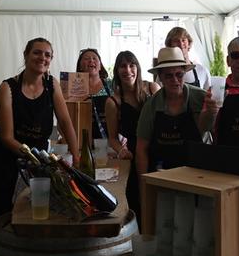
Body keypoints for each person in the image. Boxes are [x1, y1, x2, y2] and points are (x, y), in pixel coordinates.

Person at [0, 38, 80, 250]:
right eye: (37, 52)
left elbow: (65, 122)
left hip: (35, 164)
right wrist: (38, 160)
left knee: (33, 217)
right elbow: (7, 137)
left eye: (47, 55)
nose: (42, 58)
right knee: (3, 219)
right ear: (26, 55)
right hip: (5, 163)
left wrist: (76, 157)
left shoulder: (51, 84)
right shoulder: (7, 87)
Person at [136, 47, 218, 174]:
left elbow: (216, 135)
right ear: (160, 77)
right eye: (168, 76)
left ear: (184, 73)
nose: (175, 80)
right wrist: (144, 183)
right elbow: (142, 149)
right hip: (163, 172)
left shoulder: (202, 98)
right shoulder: (151, 106)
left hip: (199, 171)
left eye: (179, 75)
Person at [105, 51, 160, 223]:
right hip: (134, 155)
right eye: (123, 66)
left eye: (131, 65)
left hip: (159, 150)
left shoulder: (152, 89)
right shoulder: (113, 102)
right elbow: (112, 138)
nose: (128, 70)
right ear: (117, 71)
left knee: (160, 199)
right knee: (139, 202)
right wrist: (121, 150)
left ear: (138, 68)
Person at [76, 48, 112, 140]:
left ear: (100, 66)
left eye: (94, 58)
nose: (91, 60)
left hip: (109, 140)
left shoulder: (111, 85)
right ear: (80, 66)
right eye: (86, 58)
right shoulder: (73, 87)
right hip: (80, 139)